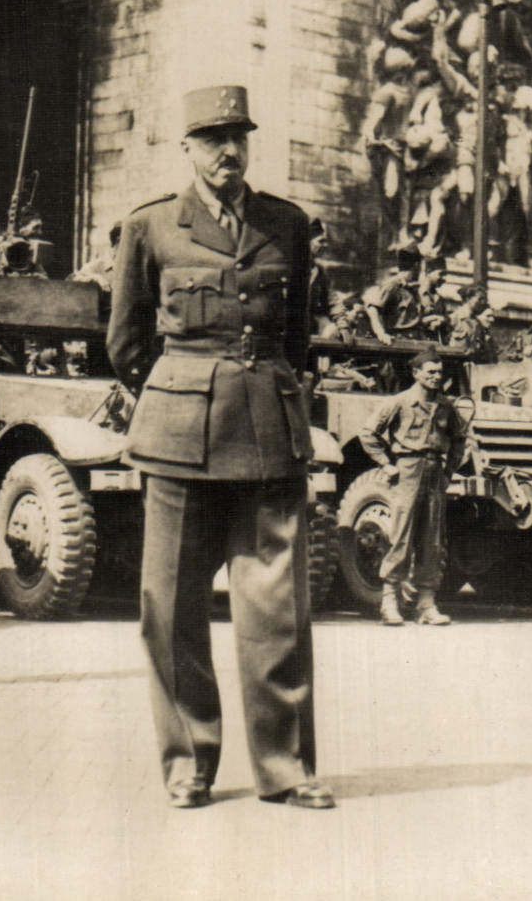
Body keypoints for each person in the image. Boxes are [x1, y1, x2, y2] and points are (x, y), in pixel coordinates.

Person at [108, 84, 332, 812]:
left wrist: (265, 389)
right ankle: (189, 761)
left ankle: (286, 767)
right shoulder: (150, 228)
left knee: (276, 609)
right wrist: (182, 391)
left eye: (237, 136)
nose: (227, 151)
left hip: (268, 426)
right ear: (187, 149)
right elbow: (127, 344)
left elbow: (297, 336)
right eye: (211, 139)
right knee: (170, 607)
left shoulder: (287, 226)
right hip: (178, 435)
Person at [358, 349, 469, 627]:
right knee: (401, 535)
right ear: (416, 373)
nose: (436, 377)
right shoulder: (400, 402)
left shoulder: (446, 406)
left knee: (432, 539)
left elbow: (459, 439)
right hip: (407, 470)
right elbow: (368, 433)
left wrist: (448, 471)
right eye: (430, 372)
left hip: (434, 471)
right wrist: (386, 463)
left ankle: (426, 604)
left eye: (439, 373)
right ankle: (389, 601)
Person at [67, 222, 122, 292]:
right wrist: (95, 278)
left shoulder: (134, 267)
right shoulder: (97, 266)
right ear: (118, 241)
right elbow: (71, 280)